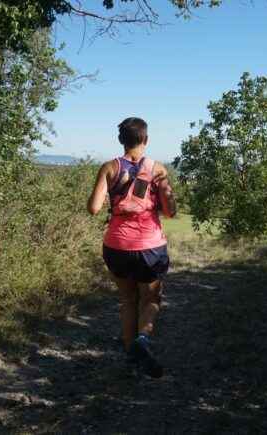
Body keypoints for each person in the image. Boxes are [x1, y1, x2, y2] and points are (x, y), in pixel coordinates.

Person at [87, 117, 177, 378]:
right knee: (150, 298)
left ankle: (130, 358)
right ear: (146, 140)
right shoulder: (158, 169)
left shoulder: (109, 168)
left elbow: (93, 208)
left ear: (120, 140)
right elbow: (170, 211)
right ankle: (143, 340)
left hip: (116, 245)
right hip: (150, 247)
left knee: (127, 299)